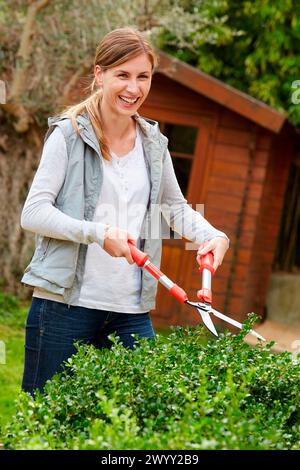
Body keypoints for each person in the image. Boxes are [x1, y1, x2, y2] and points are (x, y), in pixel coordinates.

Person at [20, 27, 229, 396]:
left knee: (138, 421)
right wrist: (98, 233)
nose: (134, 88)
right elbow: (33, 213)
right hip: (64, 307)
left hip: (130, 312)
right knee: (46, 425)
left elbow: (174, 207)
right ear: (99, 74)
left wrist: (212, 236)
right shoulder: (67, 136)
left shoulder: (154, 143)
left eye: (143, 76)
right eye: (123, 75)